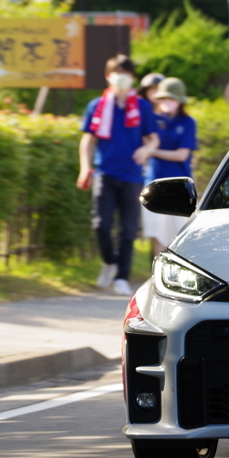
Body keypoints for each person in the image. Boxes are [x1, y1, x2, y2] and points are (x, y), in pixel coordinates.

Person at [77, 55, 158, 296]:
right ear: (108, 76)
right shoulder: (97, 105)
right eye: (116, 72)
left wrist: (146, 149)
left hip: (132, 175)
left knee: (128, 230)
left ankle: (122, 276)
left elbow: (153, 138)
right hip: (104, 172)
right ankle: (109, 261)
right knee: (100, 224)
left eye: (126, 73)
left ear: (132, 78)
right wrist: (84, 167)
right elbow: (87, 140)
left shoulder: (142, 106)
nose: (121, 77)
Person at [142, 77, 197, 255]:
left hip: (180, 188)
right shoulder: (151, 119)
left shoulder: (188, 122)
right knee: (157, 236)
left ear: (179, 101)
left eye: (171, 98)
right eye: (163, 98)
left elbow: (182, 154)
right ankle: (156, 278)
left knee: (179, 238)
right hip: (153, 184)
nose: (167, 102)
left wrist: (152, 151)